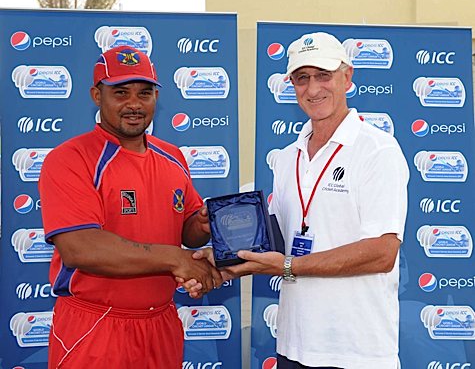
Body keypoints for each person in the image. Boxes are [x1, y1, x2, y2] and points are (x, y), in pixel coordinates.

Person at [189, 32, 409, 368]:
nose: (313, 88)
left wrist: (289, 266)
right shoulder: (288, 156)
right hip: (294, 346)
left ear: (347, 77)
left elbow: (382, 252)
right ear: (291, 84)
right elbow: (269, 244)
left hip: (358, 352)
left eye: (324, 75)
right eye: (302, 78)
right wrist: (219, 261)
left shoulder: (377, 150)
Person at [38, 45, 222, 369]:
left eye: (145, 93)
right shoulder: (70, 159)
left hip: (161, 323)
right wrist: (175, 259)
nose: (134, 104)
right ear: (97, 96)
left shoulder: (172, 157)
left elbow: (189, 232)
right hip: (96, 327)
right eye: (120, 93)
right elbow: (81, 249)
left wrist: (204, 223)